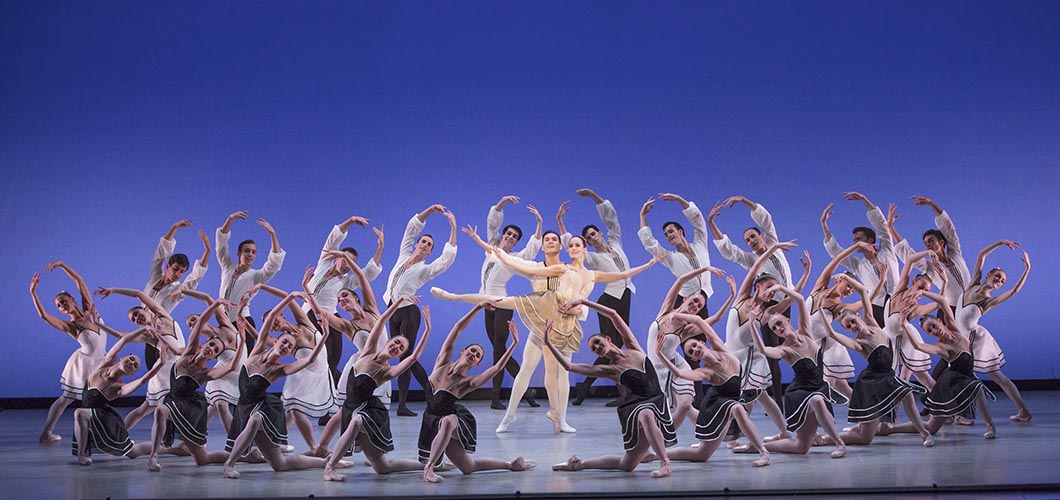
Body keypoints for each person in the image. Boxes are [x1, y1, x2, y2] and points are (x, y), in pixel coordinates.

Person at [433, 235, 660, 434]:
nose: (572, 248)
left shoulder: (593, 274)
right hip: (545, 312)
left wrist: (649, 264)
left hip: (568, 325)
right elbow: (525, 268)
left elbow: (622, 275)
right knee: (524, 355)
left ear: (584, 250)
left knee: (561, 372)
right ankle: (454, 297)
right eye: (570, 245)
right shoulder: (563, 268)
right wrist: (489, 248)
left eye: (576, 245)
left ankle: (560, 417)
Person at [548, 300, 676, 479]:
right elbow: (569, 366)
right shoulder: (610, 370)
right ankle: (665, 464)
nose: (598, 348)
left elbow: (613, 314)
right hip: (636, 406)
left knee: (627, 465)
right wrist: (548, 342)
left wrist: (583, 301)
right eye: (594, 349)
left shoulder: (633, 347)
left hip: (657, 401)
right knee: (646, 414)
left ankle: (578, 464)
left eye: (598, 342)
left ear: (608, 338)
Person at [222, 290, 334, 479]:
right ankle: (325, 460)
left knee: (257, 419)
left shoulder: (279, 369)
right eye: (283, 342)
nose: (285, 347)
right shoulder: (258, 350)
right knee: (279, 465)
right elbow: (269, 320)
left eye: (289, 346)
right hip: (245, 406)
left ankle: (228, 464)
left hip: (263, 408)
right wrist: (289, 296)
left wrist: (324, 336)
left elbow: (307, 361)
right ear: (275, 341)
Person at [420, 303, 535, 482]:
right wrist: (478, 307)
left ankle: (428, 469)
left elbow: (496, 368)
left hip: (453, 422)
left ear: (476, 364)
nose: (474, 354)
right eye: (472, 351)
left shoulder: (467, 383)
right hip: (432, 421)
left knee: (449, 420)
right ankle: (510, 465)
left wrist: (514, 343)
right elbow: (458, 328)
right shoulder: (441, 363)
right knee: (468, 467)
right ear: (463, 351)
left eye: (478, 356)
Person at [322, 297, 433, 481]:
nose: (397, 347)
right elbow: (381, 321)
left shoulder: (386, 372)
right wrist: (397, 302)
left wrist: (427, 330)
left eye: (401, 348)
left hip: (369, 413)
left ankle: (329, 468)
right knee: (383, 468)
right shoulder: (367, 351)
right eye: (396, 342)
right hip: (352, 409)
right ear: (389, 341)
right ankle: (428, 464)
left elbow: (413, 358)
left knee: (357, 422)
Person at [817, 276, 933, 448]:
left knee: (907, 394)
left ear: (859, 316)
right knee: (866, 438)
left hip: (888, 378)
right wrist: (821, 313)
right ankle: (824, 439)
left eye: (853, 322)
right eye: (848, 327)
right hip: (871, 385)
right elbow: (834, 335)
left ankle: (924, 433)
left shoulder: (872, 323)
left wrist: (846, 278)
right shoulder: (860, 343)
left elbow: (864, 292)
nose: (853, 326)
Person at [708, 195, 794, 410]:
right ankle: (776, 401)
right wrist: (712, 224)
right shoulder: (750, 259)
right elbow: (729, 251)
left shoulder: (775, 244)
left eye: (753, 237)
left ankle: (769, 394)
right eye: (747, 240)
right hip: (769, 306)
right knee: (770, 353)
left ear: (761, 236)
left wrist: (744, 201)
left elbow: (766, 220)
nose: (751, 241)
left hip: (788, 302)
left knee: (787, 349)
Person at [146, 298, 247, 471]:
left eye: (216, 351)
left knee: (202, 460)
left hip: (190, 410)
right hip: (173, 402)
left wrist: (243, 342)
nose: (212, 349)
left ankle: (245, 457)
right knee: (160, 411)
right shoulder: (188, 351)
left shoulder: (204, 374)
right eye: (212, 345)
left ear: (214, 358)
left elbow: (231, 367)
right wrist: (215, 305)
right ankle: (153, 457)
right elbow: (200, 323)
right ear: (203, 344)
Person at [557, 189, 638, 407]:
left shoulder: (616, 243)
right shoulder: (592, 257)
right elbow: (571, 246)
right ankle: (620, 393)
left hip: (625, 295)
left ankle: (587, 385)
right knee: (612, 344)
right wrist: (560, 221)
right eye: (589, 238)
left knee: (618, 344)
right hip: (608, 300)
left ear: (599, 233)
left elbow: (612, 220)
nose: (592, 238)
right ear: (588, 245)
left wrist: (594, 197)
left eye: (594, 234)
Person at [721, 242, 809, 440]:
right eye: (769, 287)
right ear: (757, 287)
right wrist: (774, 247)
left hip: (752, 358)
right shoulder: (743, 298)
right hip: (733, 355)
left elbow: (792, 298)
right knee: (760, 397)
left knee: (749, 397)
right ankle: (783, 432)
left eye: (774, 288)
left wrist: (805, 275)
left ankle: (735, 435)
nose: (772, 291)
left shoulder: (766, 312)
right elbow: (755, 266)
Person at [656, 321, 771, 468]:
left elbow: (701, 324)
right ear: (694, 359)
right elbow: (679, 373)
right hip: (717, 406)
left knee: (736, 408)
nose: (695, 350)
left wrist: (678, 316)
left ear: (702, 342)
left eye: (695, 345)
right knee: (701, 455)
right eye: (691, 352)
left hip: (735, 400)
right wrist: (660, 354)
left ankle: (762, 451)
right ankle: (656, 455)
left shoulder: (721, 349)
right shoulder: (706, 372)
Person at [752, 285, 849, 459]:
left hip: (818, 387)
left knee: (801, 447)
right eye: (774, 328)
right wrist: (752, 325)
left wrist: (778, 287)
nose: (778, 329)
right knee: (818, 401)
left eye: (779, 324)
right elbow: (764, 350)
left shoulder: (805, 331)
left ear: (788, 321)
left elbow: (800, 299)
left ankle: (760, 445)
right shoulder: (785, 350)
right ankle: (840, 444)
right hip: (800, 393)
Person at [464, 195, 542, 409]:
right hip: (486, 304)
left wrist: (539, 224)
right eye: (508, 233)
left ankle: (496, 399)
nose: (510, 237)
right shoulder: (491, 248)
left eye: (514, 237)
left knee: (499, 350)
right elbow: (493, 223)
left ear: (516, 242)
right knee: (499, 350)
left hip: (502, 305)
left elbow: (531, 251)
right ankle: (526, 392)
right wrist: (502, 203)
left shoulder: (514, 258)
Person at [303, 215, 384, 420]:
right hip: (310, 317)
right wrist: (351, 221)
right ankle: (328, 405)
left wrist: (380, 246)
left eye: (352, 262)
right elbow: (333, 239)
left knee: (331, 363)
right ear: (337, 257)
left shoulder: (347, 283)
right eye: (345, 258)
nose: (348, 264)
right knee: (319, 364)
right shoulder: (323, 264)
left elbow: (369, 274)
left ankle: (340, 401)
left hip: (330, 317)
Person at [381, 204, 458, 417]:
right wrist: (429, 210)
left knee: (407, 356)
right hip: (392, 309)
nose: (425, 245)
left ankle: (432, 394)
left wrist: (453, 226)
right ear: (417, 244)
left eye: (429, 245)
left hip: (408, 313)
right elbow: (410, 229)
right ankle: (407, 403)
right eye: (423, 241)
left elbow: (446, 260)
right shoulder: (403, 255)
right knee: (401, 357)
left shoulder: (424, 270)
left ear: (431, 251)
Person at [638, 192, 715, 404]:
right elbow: (650, 244)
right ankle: (692, 401)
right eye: (666, 235)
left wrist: (680, 200)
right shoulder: (671, 258)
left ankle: (694, 399)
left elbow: (699, 222)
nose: (669, 236)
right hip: (686, 306)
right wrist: (642, 217)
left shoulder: (700, 245)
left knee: (701, 353)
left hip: (703, 303)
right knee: (689, 355)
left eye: (671, 232)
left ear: (680, 231)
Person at [251, 275, 336, 453]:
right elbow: (260, 339)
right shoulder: (281, 341)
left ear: (281, 315)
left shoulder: (303, 321)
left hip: (320, 372)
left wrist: (261, 286)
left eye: (274, 320)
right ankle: (311, 446)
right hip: (304, 373)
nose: (273, 325)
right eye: (269, 325)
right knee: (292, 408)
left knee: (291, 408)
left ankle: (280, 441)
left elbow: (286, 296)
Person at [897, 291, 998, 440]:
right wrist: (903, 325)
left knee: (978, 388)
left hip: (965, 380)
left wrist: (923, 292)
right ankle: (890, 429)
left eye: (932, 326)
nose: (933, 330)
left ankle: (990, 426)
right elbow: (918, 346)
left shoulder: (954, 329)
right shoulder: (942, 347)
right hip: (950, 384)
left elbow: (943, 302)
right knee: (931, 428)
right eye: (929, 331)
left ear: (939, 321)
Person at [646, 265, 732, 431]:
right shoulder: (665, 311)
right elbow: (681, 280)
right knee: (665, 408)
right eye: (694, 301)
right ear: (685, 298)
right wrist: (705, 269)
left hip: (673, 365)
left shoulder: (687, 329)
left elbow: (716, 318)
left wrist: (731, 296)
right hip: (655, 367)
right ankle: (707, 430)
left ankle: (666, 437)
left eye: (699, 306)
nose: (695, 306)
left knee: (684, 404)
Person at [30, 261, 107, 444]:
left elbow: (79, 281)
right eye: (58, 305)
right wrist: (33, 292)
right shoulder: (70, 326)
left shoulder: (90, 310)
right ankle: (46, 433)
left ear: (73, 299)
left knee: (101, 399)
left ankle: (106, 435)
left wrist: (62, 265)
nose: (62, 306)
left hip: (100, 361)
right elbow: (44, 316)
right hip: (84, 364)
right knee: (67, 398)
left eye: (63, 301)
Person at [92, 287, 187, 431]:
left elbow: (139, 294)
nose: (137, 318)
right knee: (156, 408)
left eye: (136, 314)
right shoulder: (149, 335)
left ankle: (120, 433)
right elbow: (120, 336)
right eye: (134, 320)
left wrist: (113, 290)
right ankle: (120, 434)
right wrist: (98, 324)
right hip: (164, 372)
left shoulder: (164, 316)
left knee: (148, 409)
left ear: (145, 310)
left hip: (178, 369)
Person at [957, 241, 1031, 421]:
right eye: (997, 277)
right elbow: (982, 254)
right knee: (963, 377)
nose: (999, 282)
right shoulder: (973, 283)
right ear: (989, 274)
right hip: (961, 339)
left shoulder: (988, 301)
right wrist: (1001, 242)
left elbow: (1013, 292)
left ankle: (1022, 411)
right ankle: (961, 415)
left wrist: (1027, 269)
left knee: (994, 377)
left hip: (976, 341)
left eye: (1002, 281)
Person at [72, 329, 165, 465]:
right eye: (131, 359)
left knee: (133, 452)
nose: (131, 363)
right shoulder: (103, 365)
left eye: (135, 366)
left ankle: (172, 449)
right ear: (123, 357)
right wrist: (145, 328)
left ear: (131, 374)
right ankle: (83, 453)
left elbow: (142, 380)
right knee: (80, 414)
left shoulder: (118, 388)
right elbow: (124, 340)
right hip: (90, 417)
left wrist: (160, 363)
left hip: (104, 420)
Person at [803, 241, 878, 398]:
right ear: (839, 280)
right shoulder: (819, 288)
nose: (850, 290)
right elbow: (837, 259)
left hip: (829, 347)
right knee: (844, 389)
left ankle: (823, 420)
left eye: (853, 288)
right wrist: (857, 245)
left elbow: (867, 299)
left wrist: (881, 282)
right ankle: (865, 414)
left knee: (824, 389)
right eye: (849, 285)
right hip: (814, 345)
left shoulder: (840, 308)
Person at [821, 193, 900, 327]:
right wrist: (823, 224)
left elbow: (882, 227)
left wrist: (864, 199)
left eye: (858, 239)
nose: (855, 242)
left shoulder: (886, 251)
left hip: (897, 301)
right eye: (854, 240)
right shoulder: (858, 265)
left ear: (870, 240)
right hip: (876, 306)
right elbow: (835, 251)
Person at [142, 220, 209, 375]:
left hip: (163, 333)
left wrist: (207, 250)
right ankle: (156, 398)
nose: (177, 274)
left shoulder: (176, 291)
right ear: (168, 266)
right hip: (148, 332)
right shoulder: (154, 277)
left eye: (181, 272)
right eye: (175, 269)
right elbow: (160, 254)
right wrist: (174, 227)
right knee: (151, 371)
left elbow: (194, 279)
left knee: (163, 371)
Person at [215, 211, 286, 347]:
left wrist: (272, 234)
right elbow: (221, 246)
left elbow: (274, 264)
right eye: (247, 251)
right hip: (224, 322)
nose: (250, 254)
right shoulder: (228, 267)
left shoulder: (256, 276)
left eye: (254, 252)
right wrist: (230, 218)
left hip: (243, 321)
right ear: (239, 253)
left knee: (244, 361)